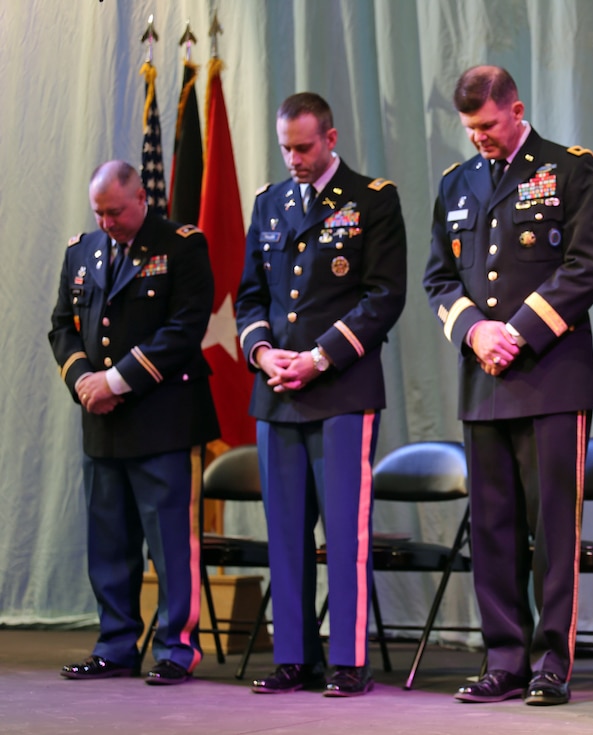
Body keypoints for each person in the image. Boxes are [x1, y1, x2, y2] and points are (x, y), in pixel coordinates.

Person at [423, 65, 593, 706]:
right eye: (471, 130)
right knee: (494, 528)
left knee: (554, 528)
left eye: (488, 126)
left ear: (516, 109)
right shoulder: (457, 183)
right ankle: (503, 659)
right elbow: (437, 280)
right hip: (483, 379)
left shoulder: (568, 168)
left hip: (551, 378)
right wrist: (476, 331)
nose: (480, 139)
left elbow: (588, 266)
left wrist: (520, 332)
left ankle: (550, 663)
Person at [236, 92, 407, 697]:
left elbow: (383, 296)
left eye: (304, 147)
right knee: (284, 533)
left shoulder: (373, 200)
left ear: (330, 139)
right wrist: (262, 353)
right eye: (285, 147)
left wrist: (316, 358)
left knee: (343, 533)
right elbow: (249, 296)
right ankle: (293, 657)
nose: (294, 159)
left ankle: (348, 661)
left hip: (341, 389)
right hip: (277, 393)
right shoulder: (270, 203)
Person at [49, 160, 221, 685]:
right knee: (109, 542)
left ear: (141, 198)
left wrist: (115, 382)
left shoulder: (181, 246)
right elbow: (62, 327)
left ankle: (176, 649)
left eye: (115, 211)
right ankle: (116, 644)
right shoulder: (82, 251)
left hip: (161, 419)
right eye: (99, 212)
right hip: (102, 422)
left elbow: (185, 328)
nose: (107, 222)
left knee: (169, 542)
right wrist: (83, 381)